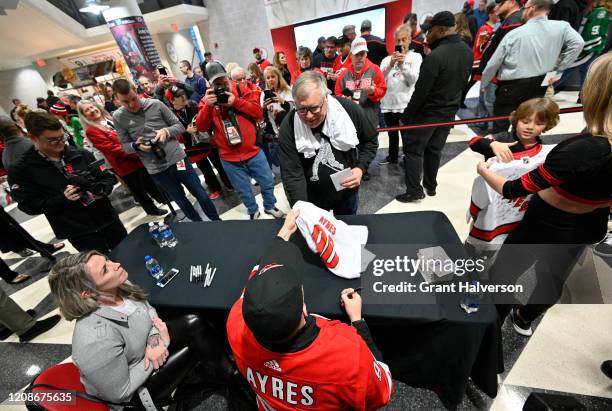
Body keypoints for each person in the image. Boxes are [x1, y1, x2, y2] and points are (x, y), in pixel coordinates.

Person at [476, 53, 612, 337]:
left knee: (504, 277)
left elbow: (513, 188)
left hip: (547, 223)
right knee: (553, 277)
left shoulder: (585, 150)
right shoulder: (591, 146)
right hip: (590, 224)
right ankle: (525, 316)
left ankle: (487, 336)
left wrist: (483, 169)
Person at [226, 210, 393, 410]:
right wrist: (358, 320)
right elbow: (383, 390)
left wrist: (283, 234)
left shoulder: (235, 322)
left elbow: (259, 279)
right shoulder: (346, 355)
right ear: (304, 309)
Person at [48, 251, 236, 408]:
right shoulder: (94, 339)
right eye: (106, 269)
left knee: (195, 320)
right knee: (195, 334)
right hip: (137, 392)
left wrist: (154, 340)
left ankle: (226, 370)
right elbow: (120, 392)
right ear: (88, 293)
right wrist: (159, 347)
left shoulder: (118, 285)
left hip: (146, 348)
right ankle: (235, 382)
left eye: (107, 260)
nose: (116, 264)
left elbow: (149, 310)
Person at [9, 111, 127, 252]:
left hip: (108, 220)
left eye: (62, 136)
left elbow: (107, 177)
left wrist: (101, 190)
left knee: (129, 255)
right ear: (33, 138)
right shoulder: (22, 169)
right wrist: (63, 199)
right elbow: (28, 205)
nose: (61, 142)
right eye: (52, 140)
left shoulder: (80, 154)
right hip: (79, 232)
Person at [112, 79, 220, 222]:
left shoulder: (155, 104)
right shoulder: (118, 117)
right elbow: (125, 146)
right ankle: (198, 227)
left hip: (178, 160)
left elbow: (180, 126)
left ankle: (217, 222)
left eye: (133, 99)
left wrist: (166, 131)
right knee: (181, 201)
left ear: (137, 92)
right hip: (156, 169)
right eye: (125, 102)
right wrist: (136, 146)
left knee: (200, 193)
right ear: (117, 100)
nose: (132, 105)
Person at [398, 11, 473, 203]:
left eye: (429, 31)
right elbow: (464, 83)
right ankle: (430, 186)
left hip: (428, 112)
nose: (426, 35)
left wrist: (406, 116)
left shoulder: (435, 56)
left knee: (414, 150)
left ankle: (414, 191)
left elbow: (421, 92)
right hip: (449, 111)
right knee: (434, 149)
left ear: (440, 30)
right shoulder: (467, 51)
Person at [467, 98, 560, 251]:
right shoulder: (502, 139)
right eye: (525, 121)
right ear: (516, 120)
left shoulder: (544, 151)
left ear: (546, 126)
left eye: (538, 123)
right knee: (481, 237)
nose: (530, 127)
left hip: (518, 204)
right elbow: (473, 142)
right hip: (491, 200)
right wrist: (491, 144)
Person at [279, 71, 378, 214]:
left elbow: (370, 140)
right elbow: (292, 174)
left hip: (346, 192)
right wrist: (303, 211)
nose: (309, 116)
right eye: (301, 110)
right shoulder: (289, 126)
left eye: (314, 108)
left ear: (326, 97)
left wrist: (360, 168)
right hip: (311, 198)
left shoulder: (348, 110)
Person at [196, 62, 285, 220]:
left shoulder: (239, 88)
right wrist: (208, 107)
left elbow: (258, 112)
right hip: (228, 157)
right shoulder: (207, 99)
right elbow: (201, 127)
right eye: (216, 82)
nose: (221, 85)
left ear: (227, 75)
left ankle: (270, 206)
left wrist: (236, 102)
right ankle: (253, 210)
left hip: (253, 150)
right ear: (209, 82)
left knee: (267, 181)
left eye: (223, 80)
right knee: (243, 190)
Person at [481, 0, 584, 133]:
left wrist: (484, 82)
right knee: (529, 123)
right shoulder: (562, 27)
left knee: (501, 126)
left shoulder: (515, 34)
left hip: (511, 86)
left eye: (524, 7)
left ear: (531, 8)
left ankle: (501, 151)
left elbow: (493, 63)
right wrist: (559, 68)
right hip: (539, 83)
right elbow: (578, 43)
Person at [78, 100, 167, 217]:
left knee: (149, 182)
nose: (92, 110)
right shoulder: (91, 131)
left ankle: (163, 199)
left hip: (137, 157)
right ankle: (152, 210)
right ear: (84, 116)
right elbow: (111, 149)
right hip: (124, 164)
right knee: (138, 189)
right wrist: (134, 149)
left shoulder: (109, 119)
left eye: (91, 107)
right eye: (87, 110)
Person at [165, 86, 234, 199]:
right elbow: (173, 133)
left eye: (183, 94)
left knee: (219, 163)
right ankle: (215, 188)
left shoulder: (192, 104)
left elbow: (206, 117)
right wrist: (185, 131)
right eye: (179, 96)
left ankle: (229, 183)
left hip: (207, 140)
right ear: (172, 100)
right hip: (192, 146)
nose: (183, 97)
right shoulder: (170, 115)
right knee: (205, 169)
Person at [379, 24, 422, 166]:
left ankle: (408, 158)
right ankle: (392, 157)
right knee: (392, 133)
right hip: (388, 103)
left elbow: (413, 80)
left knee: (406, 135)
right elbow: (380, 79)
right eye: (398, 40)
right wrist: (391, 64)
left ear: (409, 39)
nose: (400, 43)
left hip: (405, 104)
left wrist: (403, 65)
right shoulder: (386, 60)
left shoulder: (415, 57)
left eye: (404, 40)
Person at [554, 0, 610, 94]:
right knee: (582, 71)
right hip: (590, 47)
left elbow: (593, 32)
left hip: (588, 47)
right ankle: (583, 96)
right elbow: (594, 32)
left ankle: (548, 88)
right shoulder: (602, 12)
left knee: (572, 69)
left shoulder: (600, 11)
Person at [335, 37, 387, 129]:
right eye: (356, 54)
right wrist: (344, 100)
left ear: (366, 54)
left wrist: (373, 91)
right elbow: (337, 94)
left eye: (362, 54)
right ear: (351, 55)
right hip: (350, 122)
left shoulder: (375, 70)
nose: (359, 58)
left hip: (370, 121)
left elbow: (382, 90)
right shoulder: (343, 74)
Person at [462, 2, 498, 112]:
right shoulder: (485, 29)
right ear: (491, 14)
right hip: (479, 62)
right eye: (496, 12)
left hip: (484, 62)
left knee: (480, 86)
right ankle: (460, 99)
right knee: (472, 82)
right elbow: (481, 46)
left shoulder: (492, 28)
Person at [260, 66, 294, 167]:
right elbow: (262, 115)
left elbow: (293, 109)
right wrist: (264, 107)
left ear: (278, 77)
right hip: (276, 131)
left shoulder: (287, 90)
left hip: (290, 127)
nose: (270, 79)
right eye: (268, 77)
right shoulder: (263, 94)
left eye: (273, 76)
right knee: (284, 161)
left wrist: (282, 100)